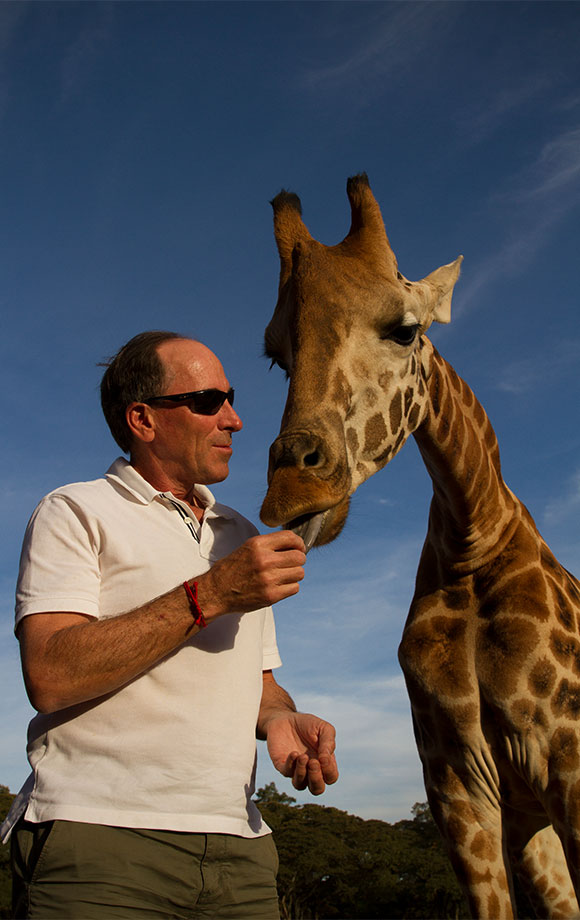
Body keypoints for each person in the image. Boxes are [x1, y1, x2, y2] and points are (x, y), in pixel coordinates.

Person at [2, 330, 338, 919]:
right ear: (143, 419)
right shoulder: (75, 510)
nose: (234, 420)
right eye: (209, 401)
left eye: (231, 399)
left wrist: (282, 717)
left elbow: (258, 681)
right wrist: (212, 592)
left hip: (243, 854)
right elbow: (50, 673)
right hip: (101, 845)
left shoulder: (239, 534)